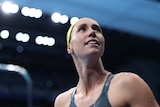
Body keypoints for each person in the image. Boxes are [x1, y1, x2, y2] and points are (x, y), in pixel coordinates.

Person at [54, 17, 159, 107]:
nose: (92, 32)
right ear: (69, 47)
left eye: (97, 30)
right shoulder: (62, 102)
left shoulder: (128, 84)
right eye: (82, 29)